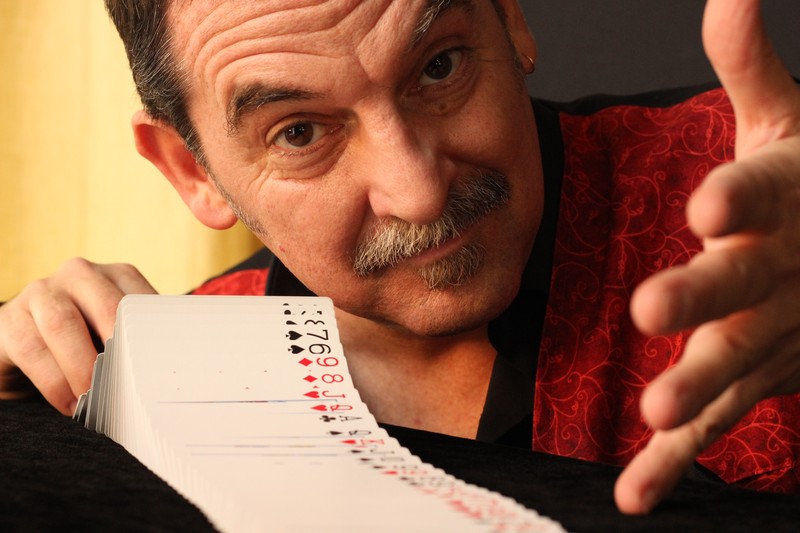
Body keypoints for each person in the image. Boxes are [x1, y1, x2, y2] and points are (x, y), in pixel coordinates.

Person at [1, 0, 799, 516]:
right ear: (192, 171)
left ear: (510, 18)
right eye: (300, 132)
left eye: (439, 67)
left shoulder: (760, 191)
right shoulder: (143, 383)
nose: (416, 191)